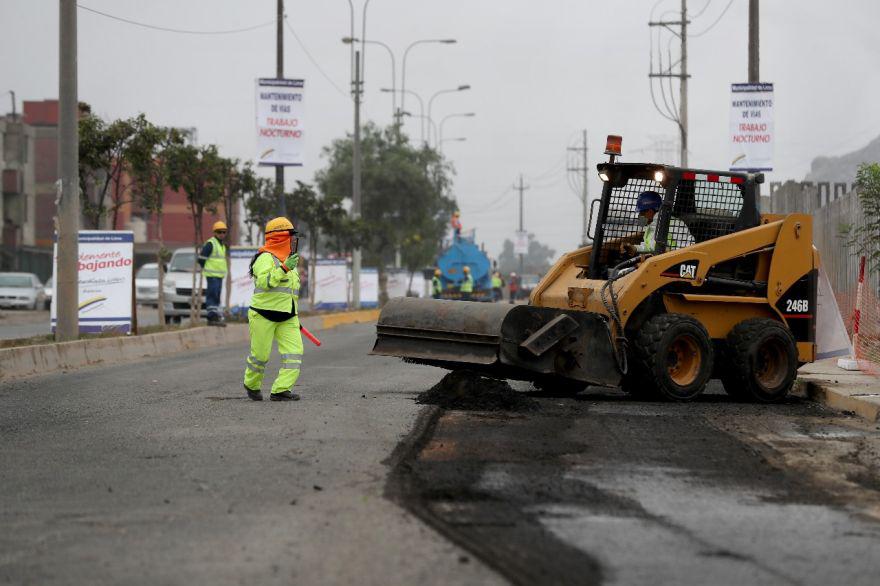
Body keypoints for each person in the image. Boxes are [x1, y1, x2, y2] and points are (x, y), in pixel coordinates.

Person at [243, 217, 303, 402]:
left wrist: (293, 312)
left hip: (288, 316)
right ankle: (251, 384)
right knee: (260, 356)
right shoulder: (265, 258)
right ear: (280, 237)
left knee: (294, 353)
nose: (293, 240)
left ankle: (281, 390)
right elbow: (264, 282)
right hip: (263, 314)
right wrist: (284, 268)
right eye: (290, 236)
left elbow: (289, 291)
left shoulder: (289, 260)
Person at [621, 191, 693, 257]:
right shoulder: (650, 227)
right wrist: (635, 248)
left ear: (650, 211)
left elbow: (689, 249)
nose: (640, 216)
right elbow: (649, 247)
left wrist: (666, 253)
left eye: (641, 213)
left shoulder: (676, 224)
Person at [198, 221, 228, 326]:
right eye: (219, 232)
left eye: (224, 232)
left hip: (219, 276)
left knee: (216, 296)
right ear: (215, 232)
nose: (222, 234)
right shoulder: (211, 243)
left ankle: (215, 315)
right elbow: (201, 258)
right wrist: (205, 268)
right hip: (212, 275)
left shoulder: (222, 245)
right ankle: (211, 317)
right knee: (212, 295)